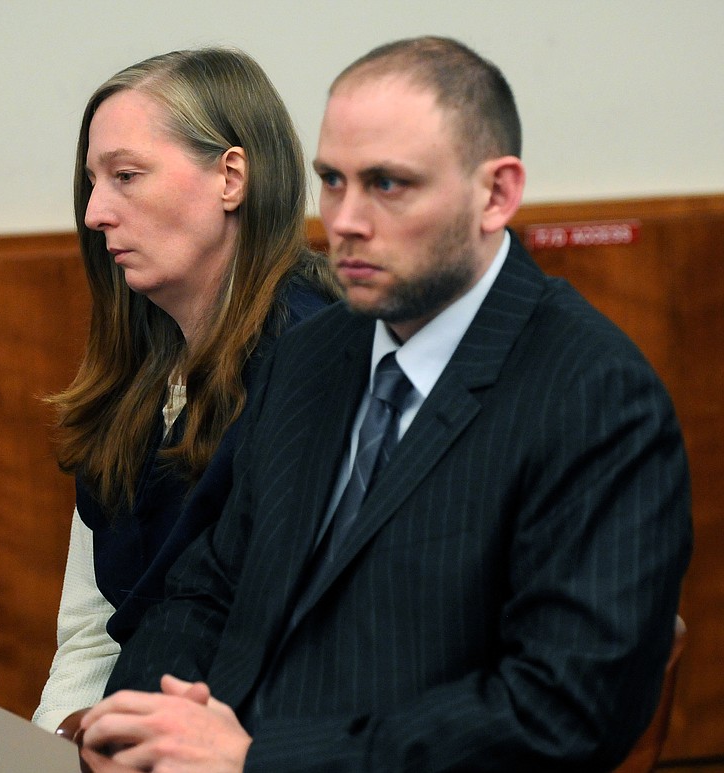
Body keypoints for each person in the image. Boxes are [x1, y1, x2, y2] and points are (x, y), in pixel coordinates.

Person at [76, 36, 692, 771]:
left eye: (388, 185)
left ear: (495, 194)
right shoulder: (312, 358)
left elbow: (559, 708)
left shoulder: (594, 396)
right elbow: (205, 588)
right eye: (333, 182)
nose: (345, 221)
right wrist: (138, 726)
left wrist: (262, 759)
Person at [32, 48, 339, 733]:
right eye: (92, 182)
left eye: (127, 176)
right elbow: (91, 632)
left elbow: (309, 644)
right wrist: (54, 746)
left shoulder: (318, 362)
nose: (95, 212)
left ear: (231, 177)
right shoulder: (133, 377)